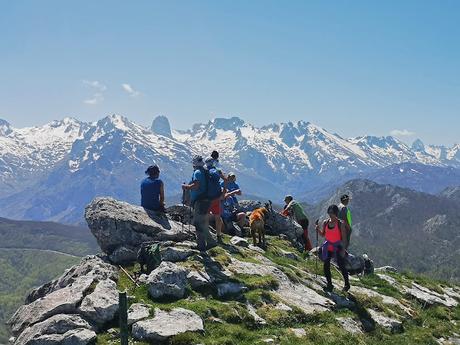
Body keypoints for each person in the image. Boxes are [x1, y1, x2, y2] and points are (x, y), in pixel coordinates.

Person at [182, 155, 215, 252]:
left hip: (200, 201)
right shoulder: (205, 171)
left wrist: (186, 187)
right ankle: (208, 243)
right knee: (202, 222)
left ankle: (203, 245)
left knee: (198, 223)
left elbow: (196, 185)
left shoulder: (197, 172)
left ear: (194, 164)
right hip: (207, 200)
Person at [315, 205, 350, 292]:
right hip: (328, 246)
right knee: (326, 265)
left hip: (337, 246)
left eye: (333, 213)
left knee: (341, 265)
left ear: (336, 213)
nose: (331, 215)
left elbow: (344, 239)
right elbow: (323, 235)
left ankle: (347, 284)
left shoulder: (340, 224)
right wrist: (318, 230)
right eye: (329, 213)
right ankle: (329, 285)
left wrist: (343, 249)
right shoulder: (325, 222)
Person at [205, 157, 225, 243]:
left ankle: (206, 235)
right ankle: (219, 236)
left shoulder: (204, 171)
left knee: (205, 216)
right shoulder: (217, 171)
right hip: (216, 198)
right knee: (218, 217)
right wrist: (223, 193)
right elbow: (226, 180)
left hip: (206, 198)